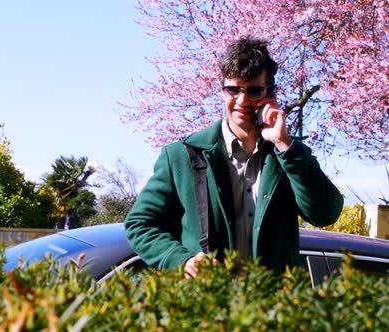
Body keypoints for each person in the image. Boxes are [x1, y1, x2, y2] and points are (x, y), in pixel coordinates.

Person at [124, 36, 344, 277]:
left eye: (253, 90)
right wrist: (183, 260)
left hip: (272, 310)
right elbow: (140, 224)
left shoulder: (287, 156)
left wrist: (283, 143)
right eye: (233, 90)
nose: (242, 101)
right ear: (222, 90)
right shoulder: (182, 156)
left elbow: (325, 214)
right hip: (207, 307)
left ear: (271, 92)